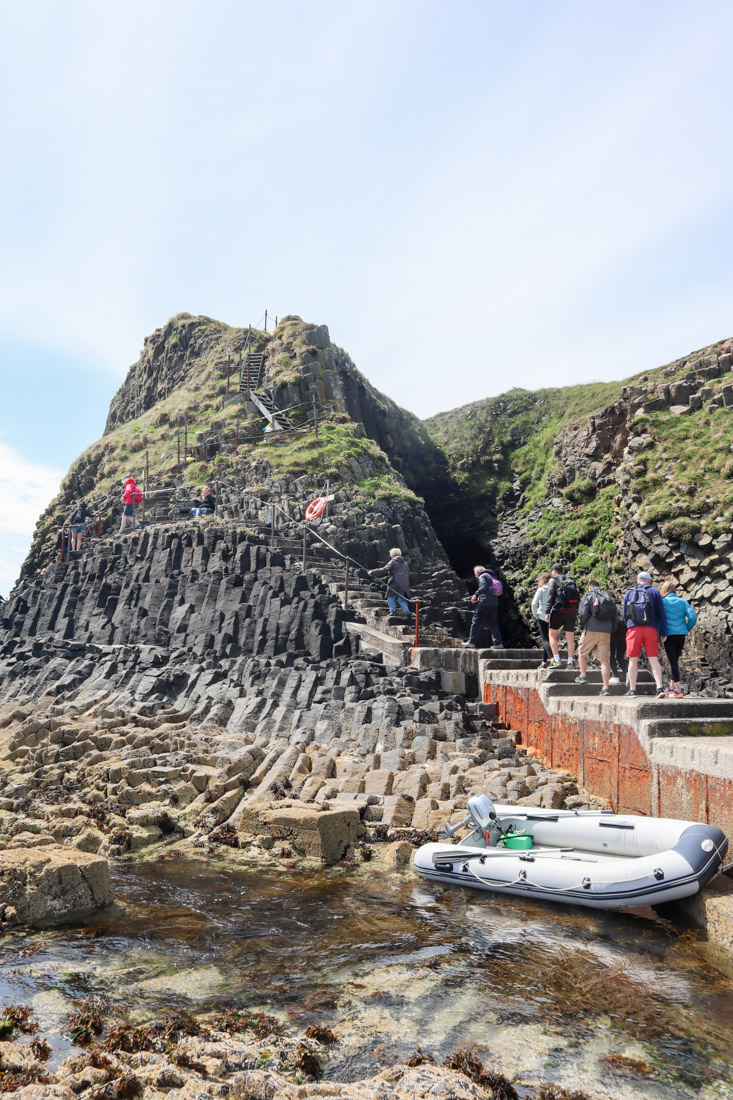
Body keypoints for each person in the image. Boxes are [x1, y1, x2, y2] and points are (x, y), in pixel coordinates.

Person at [622, 571, 668, 698]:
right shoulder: (654, 592)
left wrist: (630, 626)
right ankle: (659, 688)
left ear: (638, 580)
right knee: (653, 658)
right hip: (650, 629)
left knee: (633, 660)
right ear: (649, 580)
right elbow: (662, 614)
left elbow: (624, 614)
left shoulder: (629, 592)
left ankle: (632, 690)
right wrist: (663, 632)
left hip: (634, 629)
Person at [574, 580, 617, 695]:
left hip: (591, 629)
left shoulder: (588, 595)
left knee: (582, 652)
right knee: (604, 660)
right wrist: (611, 629)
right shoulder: (608, 597)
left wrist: (582, 625)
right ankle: (605, 688)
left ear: (589, 587)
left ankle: (583, 675)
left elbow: (583, 612)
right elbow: (615, 615)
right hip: (606, 632)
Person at [660, 578, 697, 697]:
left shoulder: (662, 602)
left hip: (669, 635)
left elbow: (659, 621)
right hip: (681, 635)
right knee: (675, 661)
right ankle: (671, 688)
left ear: (664, 590)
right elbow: (693, 617)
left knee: (673, 663)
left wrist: (659, 636)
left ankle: (678, 691)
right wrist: (686, 628)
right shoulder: (682, 601)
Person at [545, 563, 580, 668]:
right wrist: (576, 612)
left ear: (554, 571)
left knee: (552, 635)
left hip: (559, 610)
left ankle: (557, 660)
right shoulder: (570, 580)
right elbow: (577, 596)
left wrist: (547, 612)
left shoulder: (553, 580)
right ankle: (570, 662)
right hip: (571, 611)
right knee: (570, 637)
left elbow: (550, 596)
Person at [462, 565, 503, 650]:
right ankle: (498, 644)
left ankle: (471, 642)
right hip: (494, 603)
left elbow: (483, 586)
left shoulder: (483, 576)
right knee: (492, 624)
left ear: (478, 572)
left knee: (476, 622)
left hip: (485, 603)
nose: (476, 577)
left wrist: (476, 595)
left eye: (475, 574)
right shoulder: (491, 577)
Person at [369, 548, 411, 620]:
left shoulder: (393, 561)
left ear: (393, 555)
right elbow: (408, 573)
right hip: (404, 583)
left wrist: (372, 572)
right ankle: (407, 612)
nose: (390, 556)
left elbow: (384, 569)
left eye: (391, 554)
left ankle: (393, 612)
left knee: (390, 596)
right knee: (401, 598)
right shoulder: (405, 563)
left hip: (395, 581)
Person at [531, 572, 553, 667]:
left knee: (545, 640)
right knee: (550, 638)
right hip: (553, 617)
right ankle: (544, 662)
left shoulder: (541, 589)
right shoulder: (554, 589)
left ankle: (552, 659)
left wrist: (536, 614)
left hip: (543, 616)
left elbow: (534, 603)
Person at [609, 595, 628, 685]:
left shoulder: (609, 606)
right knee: (620, 657)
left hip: (613, 634)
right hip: (624, 634)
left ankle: (615, 676)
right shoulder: (623, 606)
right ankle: (628, 674)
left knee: (611, 655)